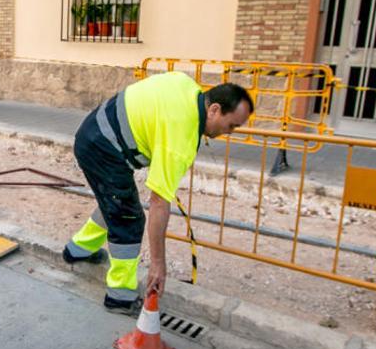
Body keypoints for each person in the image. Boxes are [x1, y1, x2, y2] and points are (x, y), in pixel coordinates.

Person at [62, 71, 253, 315]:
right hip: (102, 147)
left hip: (95, 128)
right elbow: (159, 203)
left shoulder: (186, 84)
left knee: (116, 202)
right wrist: (158, 265)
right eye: (231, 125)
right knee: (128, 218)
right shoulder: (181, 138)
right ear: (214, 109)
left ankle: (78, 250)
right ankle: (119, 296)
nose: (230, 132)